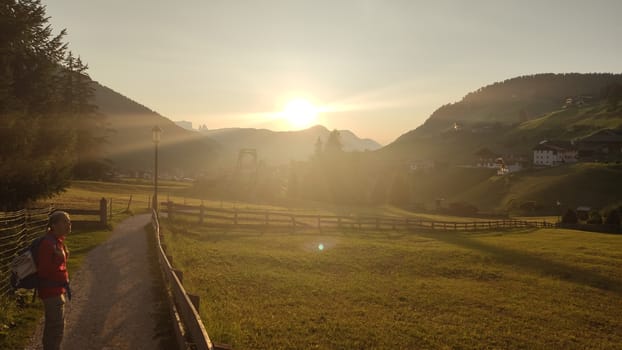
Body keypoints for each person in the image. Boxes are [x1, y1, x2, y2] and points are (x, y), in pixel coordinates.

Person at [38, 211, 71, 350]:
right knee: (55, 329)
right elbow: (43, 272)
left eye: (68, 221)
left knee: (55, 327)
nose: (68, 224)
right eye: (64, 221)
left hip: (57, 291)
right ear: (53, 225)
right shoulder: (48, 243)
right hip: (51, 292)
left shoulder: (57, 241)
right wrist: (58, 259)